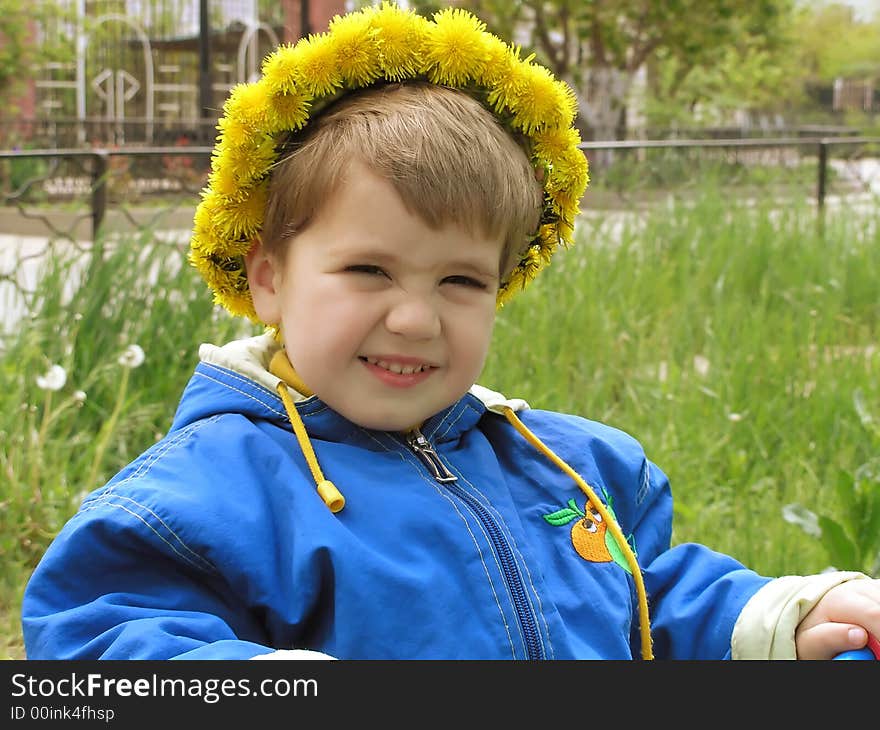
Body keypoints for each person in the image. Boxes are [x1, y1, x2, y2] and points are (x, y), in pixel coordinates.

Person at [21, 3, 880, 661]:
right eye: (370, 271)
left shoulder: (571, 467)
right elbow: (100, 643)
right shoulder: (207, 495)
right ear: (268, 275)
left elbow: (647, 600)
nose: (415, 317)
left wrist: (775, 620)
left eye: (461, 281)